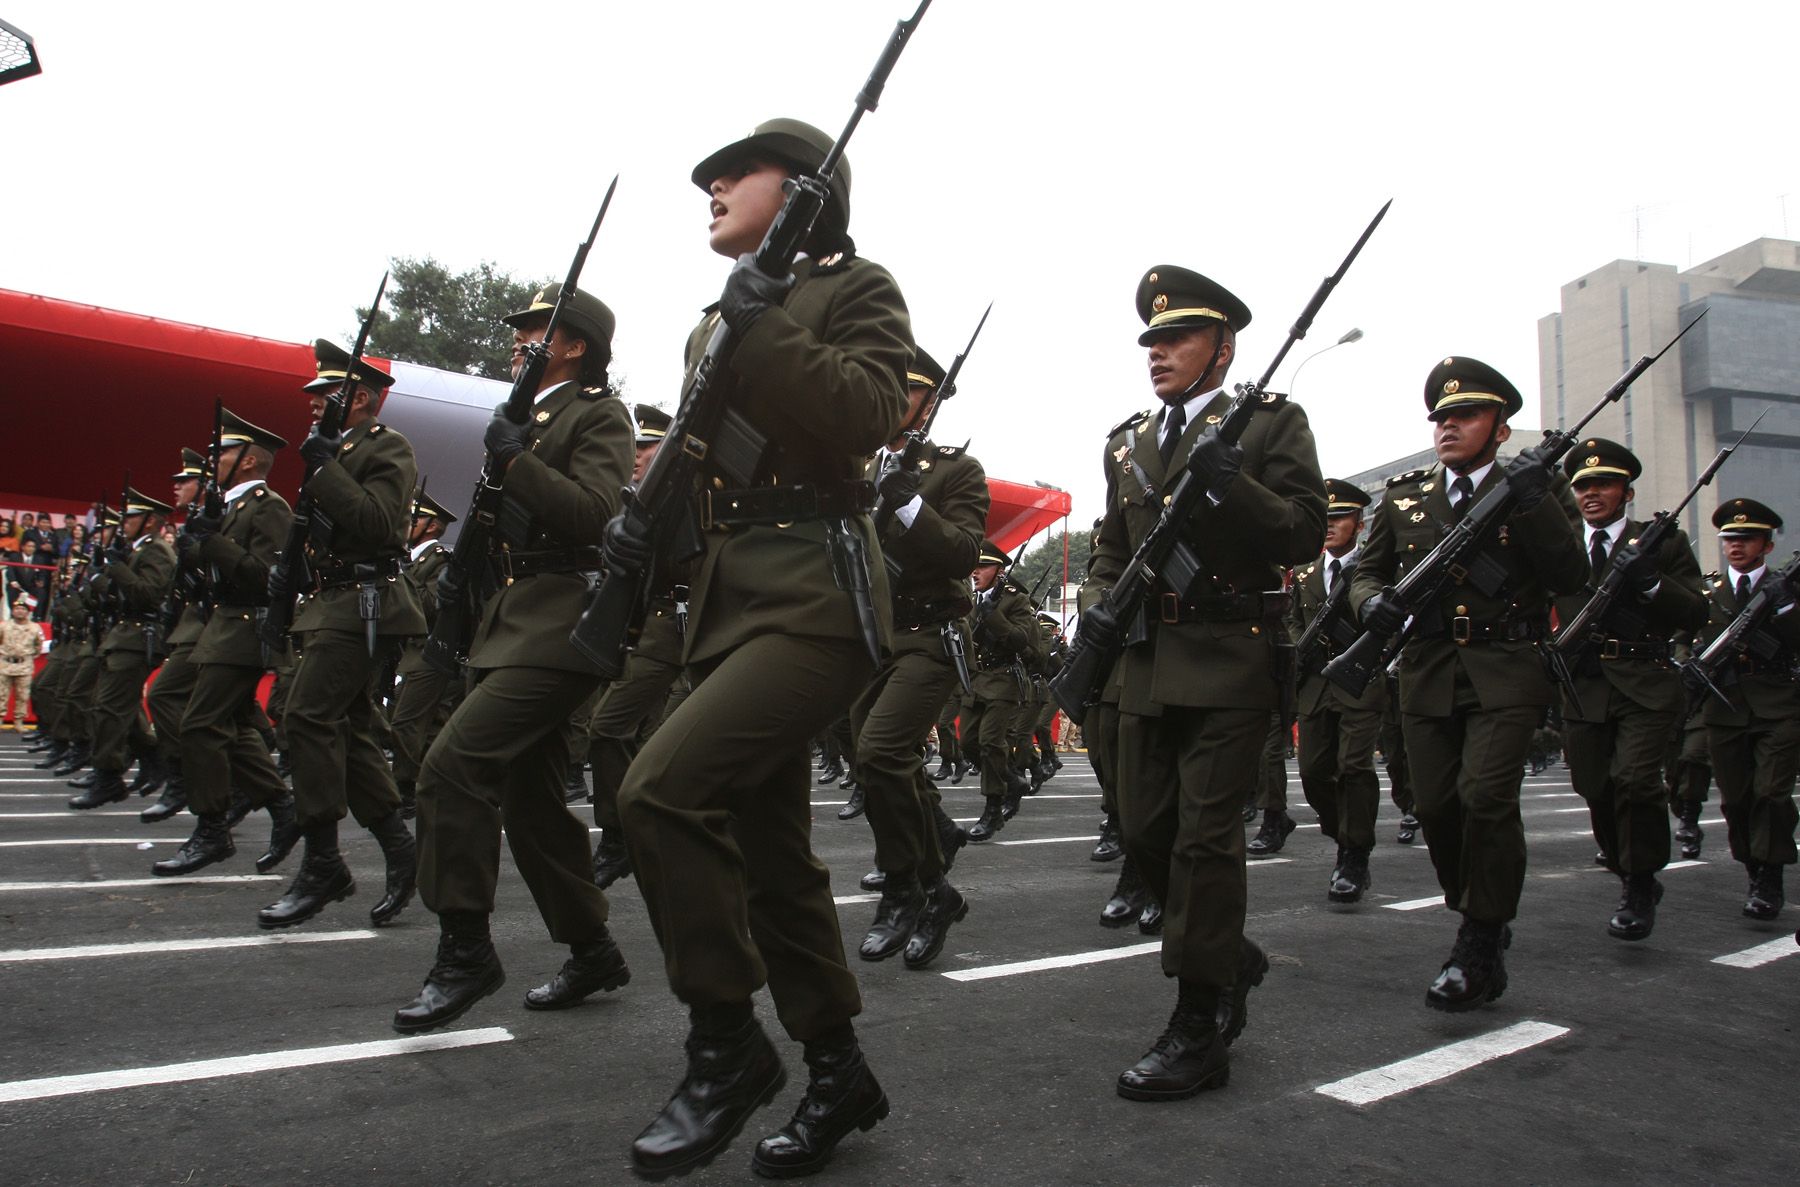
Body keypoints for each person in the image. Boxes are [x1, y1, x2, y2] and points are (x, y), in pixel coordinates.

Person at [613, 117, 908, 1180]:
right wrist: (637, 525)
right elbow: (700, 458)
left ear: (803, 191)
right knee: (776, 861)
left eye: (738, 172)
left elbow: (872, 411)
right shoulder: (710, 322)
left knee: (658, 789)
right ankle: (837, 1069)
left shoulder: (855, 288)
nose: (714, 184)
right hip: (729, 604)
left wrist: (768, 323)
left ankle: (725, 1042)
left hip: (817, 596)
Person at [1080, 264, 1323, 1100]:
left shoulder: (1270, 424)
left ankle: (1198, 1018)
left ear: (1223, 349)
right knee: (1145, 830)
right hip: (1146, 658)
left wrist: (1233, 483)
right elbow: (1114, 543)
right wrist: (1096, 610)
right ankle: (1230, 954)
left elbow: (1301, 534)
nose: (1158, 351)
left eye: (1177, 336)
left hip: (1229, 655)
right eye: (1151, 338)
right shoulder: (1129, 443)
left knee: (1203, 840)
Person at [395, 282, 635, 1033]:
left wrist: (516, 456)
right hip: (511, 621)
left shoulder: (599, 414)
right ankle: (592, 947)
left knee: (450, 767)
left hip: (560, 623)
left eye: (536, 331)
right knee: (531, 802)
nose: (518, 342)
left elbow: (595, 513)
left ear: (576, 344)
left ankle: (466, 950)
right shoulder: (524, 418)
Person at [1350, 356, 1587, 1009]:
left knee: (1484, 795)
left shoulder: (1536, 488)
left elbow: (1572, 573)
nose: (1449, 427)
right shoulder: (1403, 498)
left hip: (1506, 668)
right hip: (1427, 670)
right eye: (1442, 417)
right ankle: (1474, 908)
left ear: (1501, 428)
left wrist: (1536, 499)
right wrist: (1369, 602)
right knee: (1436, 807)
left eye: (1466, 415)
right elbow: (1365, 575)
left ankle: (1481, 936)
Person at [259, 340, 424, 930]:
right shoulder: (334, 450)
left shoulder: (387, 448)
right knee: (350, 733)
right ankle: (401, 851)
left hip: (363, 604)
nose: (311, 405)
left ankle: (324, 862)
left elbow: (379, 525)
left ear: (357, 398)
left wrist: (325, 469)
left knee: (305, 716)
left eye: (322, 395)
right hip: (331, 602)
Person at [848, 347, 987, 968]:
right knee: (873, 762)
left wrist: (907, 501)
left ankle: (908, 888)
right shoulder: (850, 460)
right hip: (870, 634)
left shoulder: (956, 471)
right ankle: (938, 884)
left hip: (930, 634)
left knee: (882, 750)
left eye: (902, 390)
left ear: (930, 401)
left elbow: (963, 552)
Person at [1551, 438, 1706, 939]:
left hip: (1644, 683)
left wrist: (1651, 584)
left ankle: (1640, 883)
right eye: (1583, 486)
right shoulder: (1564, 546)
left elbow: (1695, 612)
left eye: (1604, 484)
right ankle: (1626, 867)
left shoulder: (1660, 543)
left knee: (1637, 782)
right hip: (1585, 685)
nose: (1592, 493)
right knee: (1595, 787)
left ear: (1627, 492)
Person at [154, 410, 300, 877]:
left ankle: (212, 829)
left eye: (225, 451)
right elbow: (210, 574)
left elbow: (270, 577)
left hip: (247, 628)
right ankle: (283, 807)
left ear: (251, 462)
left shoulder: (268, 505)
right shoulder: (232, 507)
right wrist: (194, 547)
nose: (214, 458)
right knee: (233, 728)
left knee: (200, 723)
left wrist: (212, 542)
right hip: (223, 626)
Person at [586, 403, 687, 891]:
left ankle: (627, 836)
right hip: (648, 628)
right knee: (617, 731)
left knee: (615, 729)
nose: (636, 456)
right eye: (636, 446)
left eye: (646, 447)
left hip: (680, 627)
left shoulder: (683, 495)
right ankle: (628, 835)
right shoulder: (635, 503)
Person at [1692, 497, 1799, 920]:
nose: (1736, 546)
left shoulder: (1788, 588)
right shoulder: (1708, 593)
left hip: (1778, 704)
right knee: (1736, 800)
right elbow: (1688, 637)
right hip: (1725, 705)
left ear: (1767, 546)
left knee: (1771, 794)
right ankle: (1754, 868)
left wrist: (1787, 605)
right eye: (1729, 538)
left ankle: (1769, 877)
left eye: (1747, 539)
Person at [1289, 478, 1386, 903]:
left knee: (1353, 766)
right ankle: (1341, 830)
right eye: (1325, 518)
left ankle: (1354, 853)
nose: (1330, 525)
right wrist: (1299, 646)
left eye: (1341, 517)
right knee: (1313, 772)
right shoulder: (1306, 572)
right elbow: (1291, 621)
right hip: (1316, 682)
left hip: (1360, 680)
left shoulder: (1373, 568)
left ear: (1360, 524)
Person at [68, 488, 176, 809]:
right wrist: (102, 575)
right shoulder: (137, 550)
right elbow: (113, 598)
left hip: (139, 635)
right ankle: (149, 756)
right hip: (123, 635)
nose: (124, 521)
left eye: (131, 516)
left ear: (150, 521)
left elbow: (148, 595)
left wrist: (115, 569)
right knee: (111, 707)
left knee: (111, 709)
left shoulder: (157, 551)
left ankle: (109, 776)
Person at [141, 447, 211, 820]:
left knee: (168, 695)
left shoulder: (215, 518)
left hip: (214, 624)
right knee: (229, 718)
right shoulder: (195, 521)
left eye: (184, 481)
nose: (177, 487)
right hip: (193, 623)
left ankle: (181, 776)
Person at [387, 485, 460, 822]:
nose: (406, 525)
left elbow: (431, 607)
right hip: (409, 652)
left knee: (406, 721)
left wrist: (402, 574)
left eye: (414, 519)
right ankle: (438, 784)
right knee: (432, 725)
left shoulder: (439, 562)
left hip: (430, 652)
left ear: (431, 526)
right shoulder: (409, 562)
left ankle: (404, 788)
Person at [962, 542, 1039, 842]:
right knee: (968, 744)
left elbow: (1023, 641)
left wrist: (993, 616)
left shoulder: (1016, 601)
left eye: (983, 567)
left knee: (990, 743)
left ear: (1000, 571)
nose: (975, 571)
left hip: (1003, 678)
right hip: (976, 679)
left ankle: (993, 808)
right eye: (974, 566)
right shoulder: (970, 599)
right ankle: (1010, 779)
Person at [0, 597, 39, 727]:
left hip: (24, 666)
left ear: (27, 612)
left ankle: (19, 721)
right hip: (5, 665)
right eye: (17, 609)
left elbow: (38, 647)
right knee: (1, 694)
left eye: (23, 609)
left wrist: (26, 656)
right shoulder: (3, 626)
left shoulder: (34, 628)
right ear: (12, 611)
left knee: (23, 696)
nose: (20, 611)